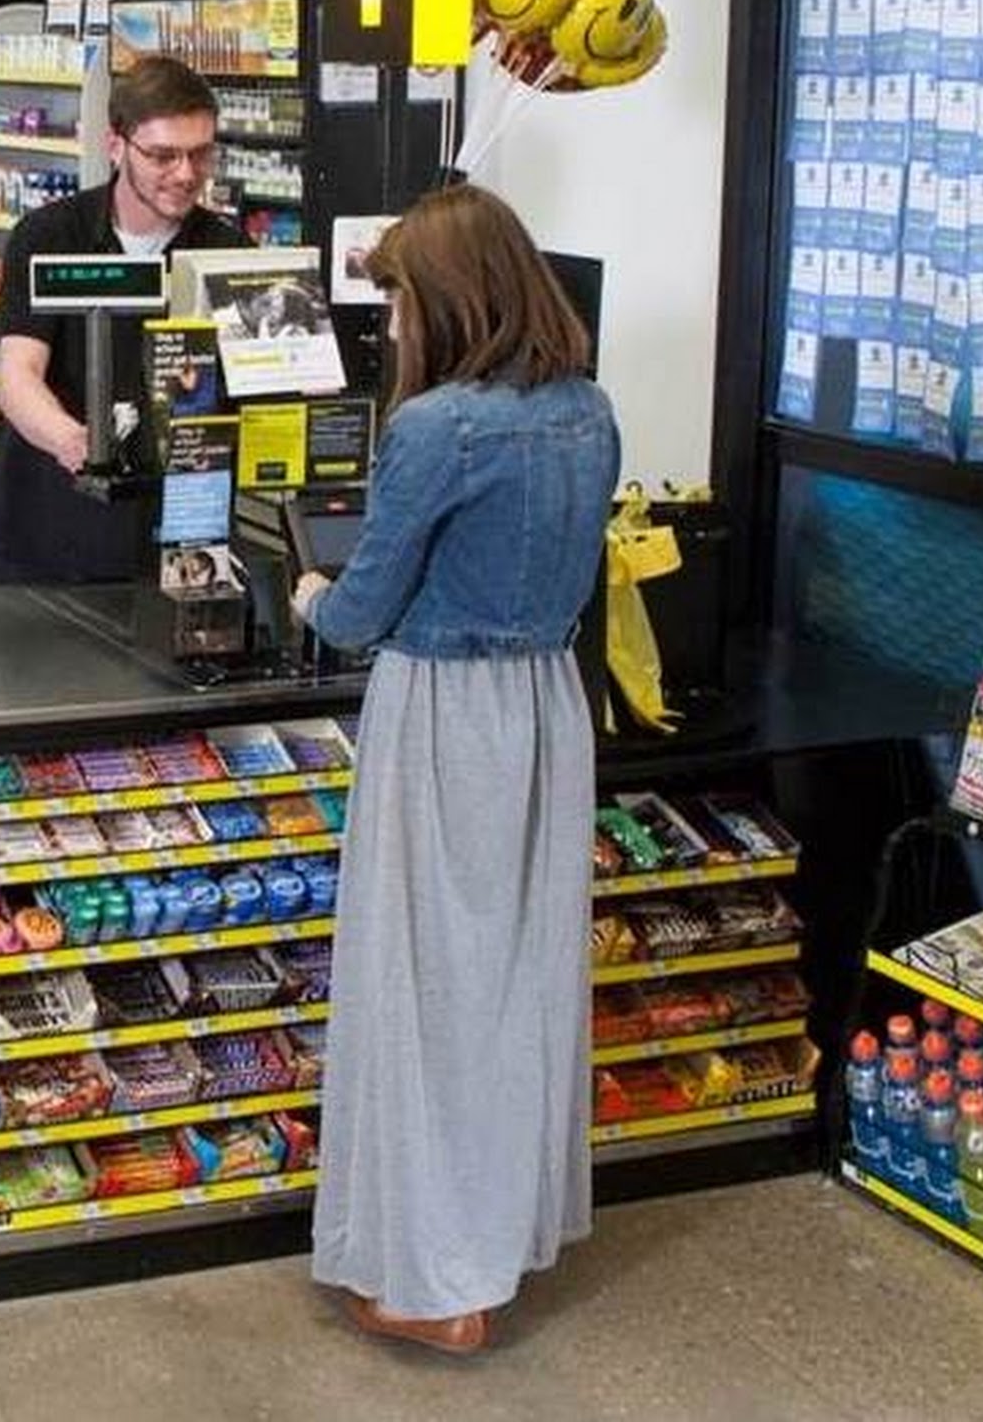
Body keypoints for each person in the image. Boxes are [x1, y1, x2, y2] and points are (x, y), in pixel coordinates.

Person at [289, 183, 618, 1357]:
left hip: (439, 712)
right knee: (514, 983)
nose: (392, 325)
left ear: (446, 299)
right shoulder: (588, 410)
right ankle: (491, 1244)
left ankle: (436, 1281)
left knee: (421, 992)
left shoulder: (436, 428)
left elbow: (362, 609)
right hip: (543, 706)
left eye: (399, 301)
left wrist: (309, 590)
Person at [0, 56, 248, 585]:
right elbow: (18, 375)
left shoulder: (228, 251)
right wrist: (75, 442)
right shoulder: (50, 235)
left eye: (200, 153)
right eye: (163, 156)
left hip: (166, 536)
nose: (186, 174)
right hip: (44, 527)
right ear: (116, 145)